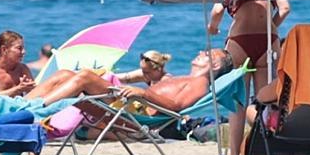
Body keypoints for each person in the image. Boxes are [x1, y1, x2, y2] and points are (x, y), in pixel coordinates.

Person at [27, 48, 232, 113]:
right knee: (65, 74)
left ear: (214, 66)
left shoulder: (199, 83)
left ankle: (35, 109)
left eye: (207, 53)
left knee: (85, 77)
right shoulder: (184, 78)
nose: (200, 52)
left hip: (135, 111)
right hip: (129, 104)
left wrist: (143, 92)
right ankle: (23, 103)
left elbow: (176, 106)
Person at [208, 0, 290, 101]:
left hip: (239, 39)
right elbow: (285, 9)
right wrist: (269, 27)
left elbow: (217, 11)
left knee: (238, 102)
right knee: (263, 99)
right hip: (267, 39)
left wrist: (212, 28)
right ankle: (261, 116)